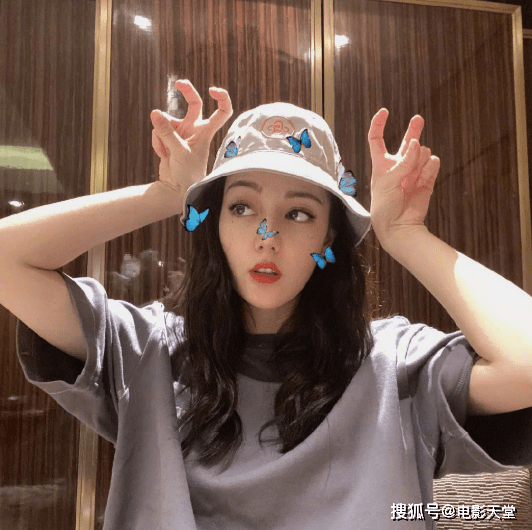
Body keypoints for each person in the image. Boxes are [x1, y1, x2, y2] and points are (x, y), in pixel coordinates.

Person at [2, 79, 532, 530]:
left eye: (299, 213)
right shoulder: (145, 352)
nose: (267, 235)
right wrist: (167, 193)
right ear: (215, 224)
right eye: (241, 206)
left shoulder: (396, 365)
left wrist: (405, 233)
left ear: (329, 236)